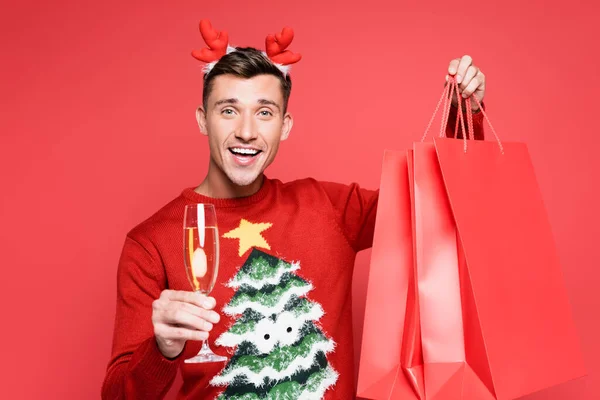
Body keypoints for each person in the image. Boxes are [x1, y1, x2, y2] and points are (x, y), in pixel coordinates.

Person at [101, 20, 486, 400]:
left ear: (285, 126)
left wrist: (465, 115)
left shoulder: (329, 208)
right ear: (203, 120)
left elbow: (435, 205)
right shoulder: (150, 242)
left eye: (264, 112)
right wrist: (163, 349)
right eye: (229, 111)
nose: (247, 132)